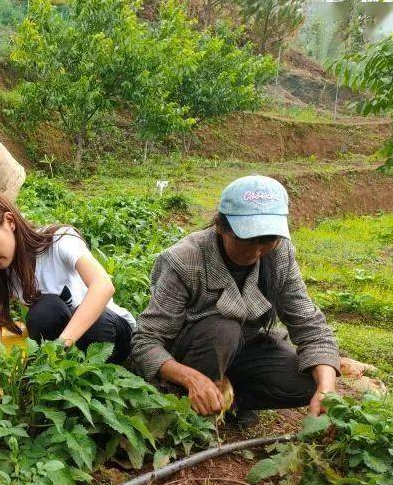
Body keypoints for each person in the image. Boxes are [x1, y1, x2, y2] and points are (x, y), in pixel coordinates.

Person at [131, 175, 340, 426]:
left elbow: (310, 325)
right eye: (246, 239)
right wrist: (190, 378)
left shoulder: (281, 254)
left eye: (267, 241)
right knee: (222, 329)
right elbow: (146, 341)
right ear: (221, 226)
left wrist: (326, 390)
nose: (255, 251)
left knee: (308, 382)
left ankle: (232, 401)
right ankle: (188, 408)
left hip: (243, 348)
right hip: (192, 352)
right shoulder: (185, 260)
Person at [0, 188, 135, 363]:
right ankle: (61, 371)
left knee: (94, 327)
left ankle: (66, 365)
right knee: (44, 311)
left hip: (111, 332)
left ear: (9, 221)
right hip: (69, 343)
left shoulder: (58, 241)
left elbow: (103, 286)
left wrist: (60, 346)